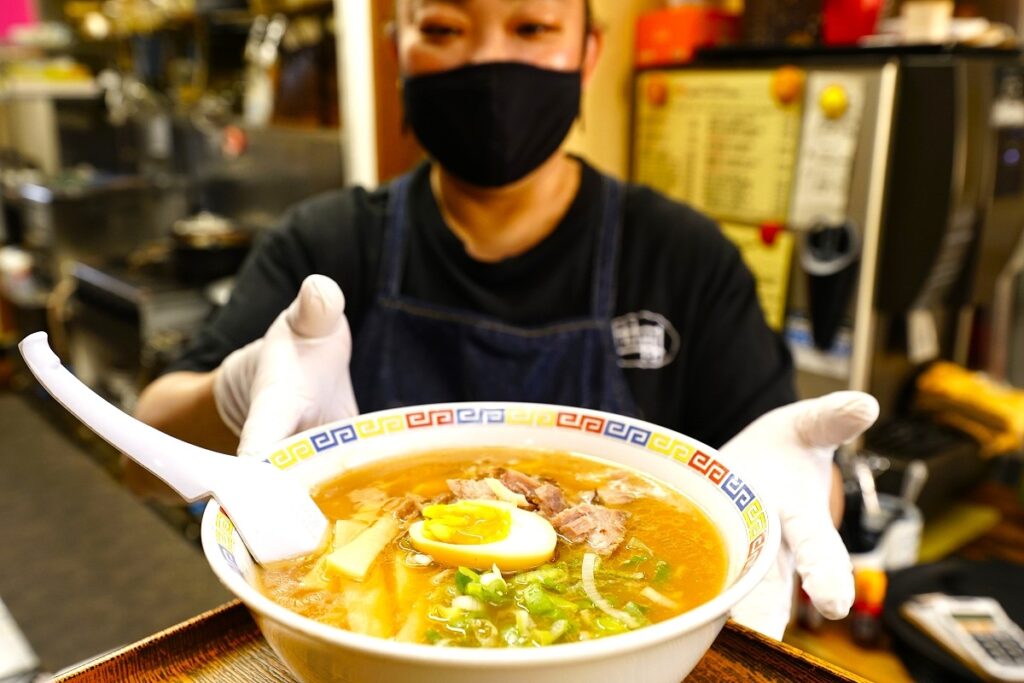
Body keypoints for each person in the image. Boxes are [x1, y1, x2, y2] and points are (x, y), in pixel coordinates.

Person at [133, 0, 878, 640]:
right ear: (398, 48)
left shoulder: (683, 256)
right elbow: (146, 458)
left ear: (589, 52)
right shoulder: (324, 245)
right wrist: (231, 397)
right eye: (447, 28)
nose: (490, 62)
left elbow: (804, 484)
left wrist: (803, 480)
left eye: (529, 26)